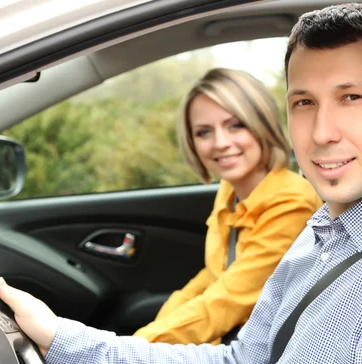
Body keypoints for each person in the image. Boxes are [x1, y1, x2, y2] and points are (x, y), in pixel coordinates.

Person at [0, 3, 362, 364]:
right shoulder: (329, 228)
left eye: (351, 97)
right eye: (304, 102)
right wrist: (63, 339)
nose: (322, 133)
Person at [131, 68, 321, 346]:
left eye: (236, 125)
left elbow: (228, 300)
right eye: (204, 132)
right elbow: (214, 276)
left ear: (262, 124)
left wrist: (133, 349)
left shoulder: (292, 202)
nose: (220, 143)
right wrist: (144, 337)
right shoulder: (231, 189)